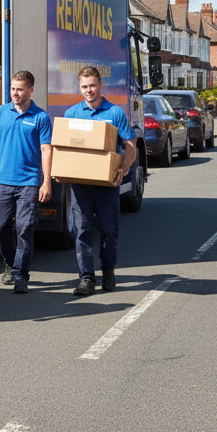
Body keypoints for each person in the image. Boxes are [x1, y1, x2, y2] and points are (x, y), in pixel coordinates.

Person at [0, 70, 53, 295]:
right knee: (1, 225)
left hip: (29, 181)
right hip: (4, 180)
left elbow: (46, 150)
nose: (15, 93)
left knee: (25, 228)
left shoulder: (40, 117)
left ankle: (21, 274)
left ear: (31, 90)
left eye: (20, 89)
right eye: (13, 89)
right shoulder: (0, 112)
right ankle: (11, 261)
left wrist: (46, 181)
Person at [64, 66, 137, 296]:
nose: (89, 91)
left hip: (107, 185)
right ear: (80, 87)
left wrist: (123, 170)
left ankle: (108, 270)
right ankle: (86, 278)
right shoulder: (71, 114)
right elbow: (65, 148)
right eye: (84, 87)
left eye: (92, 85)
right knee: (82, 230)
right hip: (81, 185)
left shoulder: (115, 113)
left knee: (108, 230)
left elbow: (130, 146)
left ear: (101, 85)